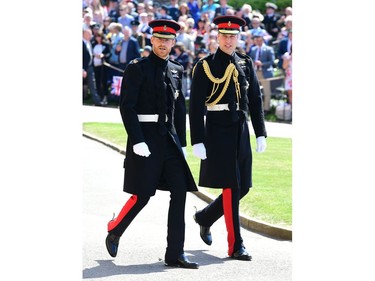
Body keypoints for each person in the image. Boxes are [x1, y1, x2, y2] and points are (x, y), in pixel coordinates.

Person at [105, 19, 199, 269]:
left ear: (174, 42)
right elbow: (127, 106)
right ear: (152, 40)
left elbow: (179, 109)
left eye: (168, 40)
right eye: (159, 39)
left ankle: (175, 253)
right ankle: (115, 229)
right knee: (143, 194)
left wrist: (182, 142)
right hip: (145, 138)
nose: (163, 44)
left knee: (180, 192)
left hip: (169, 140)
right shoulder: (138, 68)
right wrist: (137, 140)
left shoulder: (177, 69)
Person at [189, 15, 267, 261]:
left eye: (233, 36)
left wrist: (260, 132)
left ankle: (206, 217)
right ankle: (236, 245)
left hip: (240, 128)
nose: (228, 40)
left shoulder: (245, 62)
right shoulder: (205, 66)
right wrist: (198, 139)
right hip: (217, 128)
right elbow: (195, 106)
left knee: (243, 186)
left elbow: (254, 99)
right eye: (224, 35)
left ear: (238, 37)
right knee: (231, 186)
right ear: (217, 36)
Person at [249, 32, 275, 112]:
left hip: (265, 72)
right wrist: (253, 62)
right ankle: (254, 109)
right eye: (257, 40)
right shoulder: (253, 49)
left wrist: (262, 64)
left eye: (260, 40)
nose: (258, 41)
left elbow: (272, 61)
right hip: (255, 72)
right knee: (254, 92)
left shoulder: (269, 49)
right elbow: (250, 59)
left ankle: (266, 109)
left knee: (267, 92)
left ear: (263, 40)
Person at [83, 27, 102, 106]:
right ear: (84, 34)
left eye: (91, 34)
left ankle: (97, 101)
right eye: (89, 34)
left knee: (92, 84)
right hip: (83, 67)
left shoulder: (89, 42)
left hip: (90, 66)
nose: (91, 35)